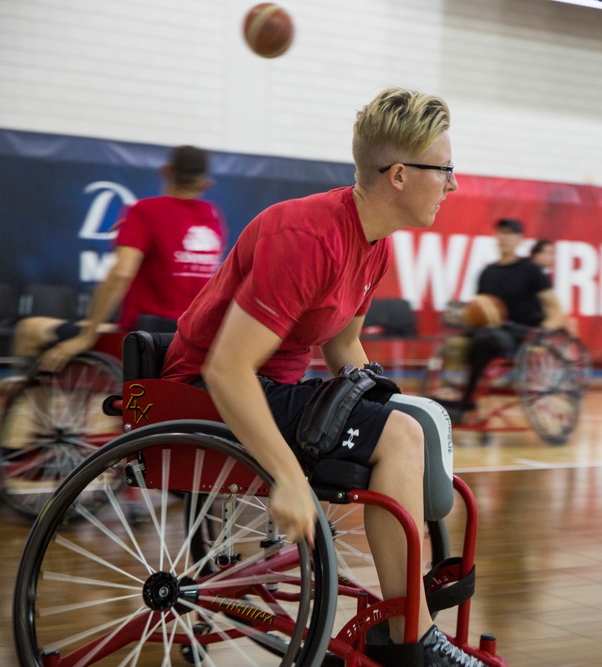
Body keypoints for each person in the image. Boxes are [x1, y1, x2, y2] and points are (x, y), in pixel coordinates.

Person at [159, 88, 484, 666]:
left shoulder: (375, 244)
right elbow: (227, 369)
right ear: (401, 175)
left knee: (410, 423)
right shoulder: (307, 237)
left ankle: (403, 621)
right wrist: (288, 477)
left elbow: (342, 345)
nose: (454, 183)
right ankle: (414, 639)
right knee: (399, 436)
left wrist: (394, 408)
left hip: (271, 389)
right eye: (446, 169)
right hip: (206, 392)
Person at [14, 145, 226, 371]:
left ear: (166, 170)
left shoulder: (145, 211)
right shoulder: (212, 216)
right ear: (205, 183)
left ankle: (39, 405)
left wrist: (87, 336)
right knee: (93, 326)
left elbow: (121, 273)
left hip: (143, 339)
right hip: (191, 338)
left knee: (29, 329)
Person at [444, 218, 567, 420]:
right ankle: (450, 392)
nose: (504, 237)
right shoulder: (487, 272)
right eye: (501, 232)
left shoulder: (531, 271)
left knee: (484, 339)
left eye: (510, 233)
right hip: (490, 332)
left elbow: (555, 310)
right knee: (458, 341)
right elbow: (481, 307)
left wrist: (542, 333)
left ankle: (466, 400)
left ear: (520, 239)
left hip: (520, 336)